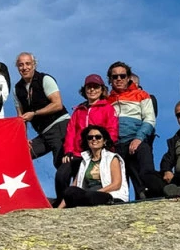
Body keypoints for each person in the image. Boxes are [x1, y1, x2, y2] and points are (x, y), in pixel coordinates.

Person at [55, 74, 119, 204]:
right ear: (84, 90)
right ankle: (63, 201)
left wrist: (105, 146)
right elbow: (71, 132)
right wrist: (68, 151)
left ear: (102, 90)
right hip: (78, 153)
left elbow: (112, 129)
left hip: (97, 152)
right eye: (89, 87)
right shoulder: (79, 110)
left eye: (96, 87)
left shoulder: (107, 108)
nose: (92, 90)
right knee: (62, 174)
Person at [106, 62, 157, 200]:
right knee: (119, 185)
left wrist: (139, 138)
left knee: (142, 178)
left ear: (128, 77)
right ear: (110, 79)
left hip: (135, 140)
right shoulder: (106, 101)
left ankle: (151, 193)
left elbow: (150, 119)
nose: (119, 79)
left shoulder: (142, 95)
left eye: (122, 75)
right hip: (115, 145)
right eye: (114, 76)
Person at [12, 52, 70, 167]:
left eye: (28, 64)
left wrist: (34, 114)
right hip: (43, 133)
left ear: (34, 65)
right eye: (21, 65)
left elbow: (57, 104)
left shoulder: (45, 79)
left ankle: (71, 184)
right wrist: (23, 139)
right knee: (20, 154)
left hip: (60, 126)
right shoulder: (17, 89)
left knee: (62, 164)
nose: (24, 68)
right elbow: (21, 118)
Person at [57, 125, 128, 208]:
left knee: (90, 196)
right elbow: (74, 185)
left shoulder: (112, 158)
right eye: (90, 137)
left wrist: (97, 192)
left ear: (104, 141)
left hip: (107, 195)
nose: (94, 139)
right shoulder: (84, 161)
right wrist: (59, 209)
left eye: (98, 137)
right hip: (87, 195)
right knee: (69, 191)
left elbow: (116, 184)